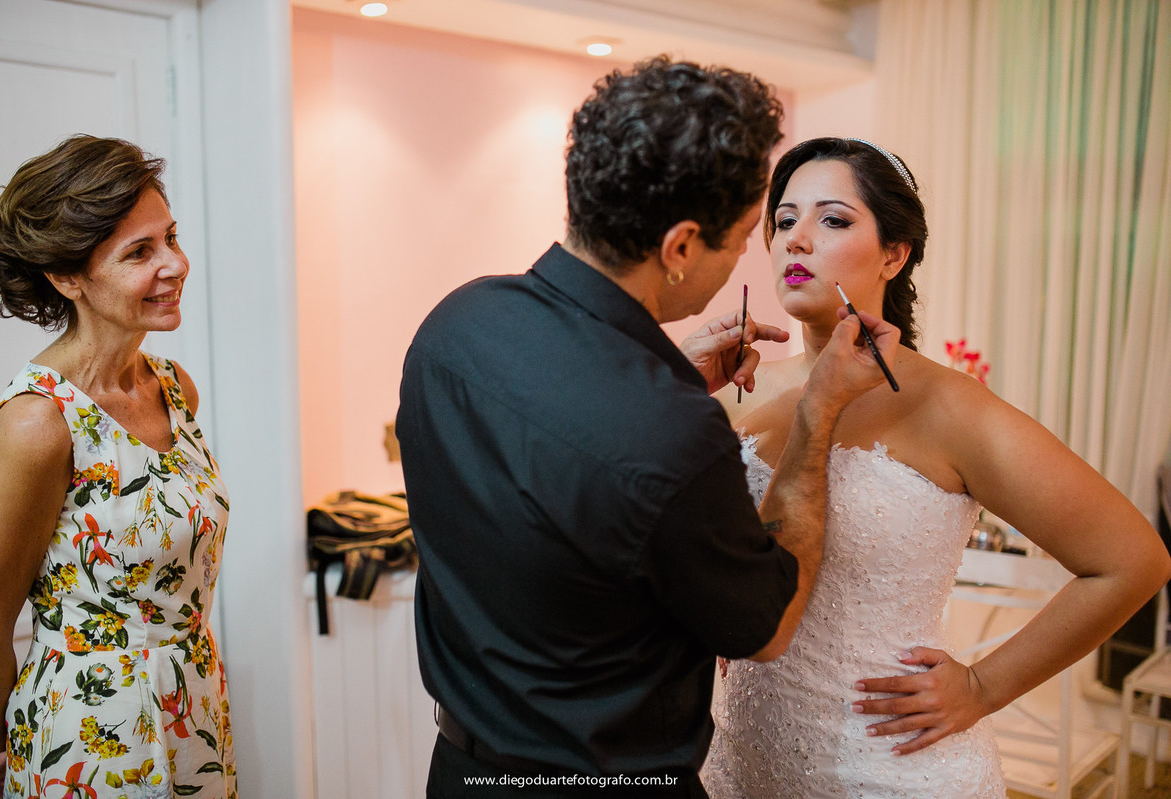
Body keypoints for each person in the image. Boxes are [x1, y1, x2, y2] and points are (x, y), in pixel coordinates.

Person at [395, 56, 901, 799]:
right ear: (681, 247)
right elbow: (768, 625)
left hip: (462, 771)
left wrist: (662, 376)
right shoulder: (672, 432)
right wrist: (818, 411)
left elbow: (565, 461)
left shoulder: (455, 326)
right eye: (742, 239)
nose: (758, 255)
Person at [699, 136, 1171, 798]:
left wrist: (982, 684)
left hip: (893, 766)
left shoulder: (949, 407)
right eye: (784, 220)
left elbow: (1133, 560)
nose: (796, 239)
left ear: (895, 253)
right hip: (741, 762)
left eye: (832, 218)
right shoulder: (735, 394)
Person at [0, 136, 237, 799]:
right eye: (139, 252)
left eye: (170, 237)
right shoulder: (39, 421)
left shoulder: (175, 388)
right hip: (89, 737)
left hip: (196, 715)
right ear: (67, 278)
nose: (175, 264)